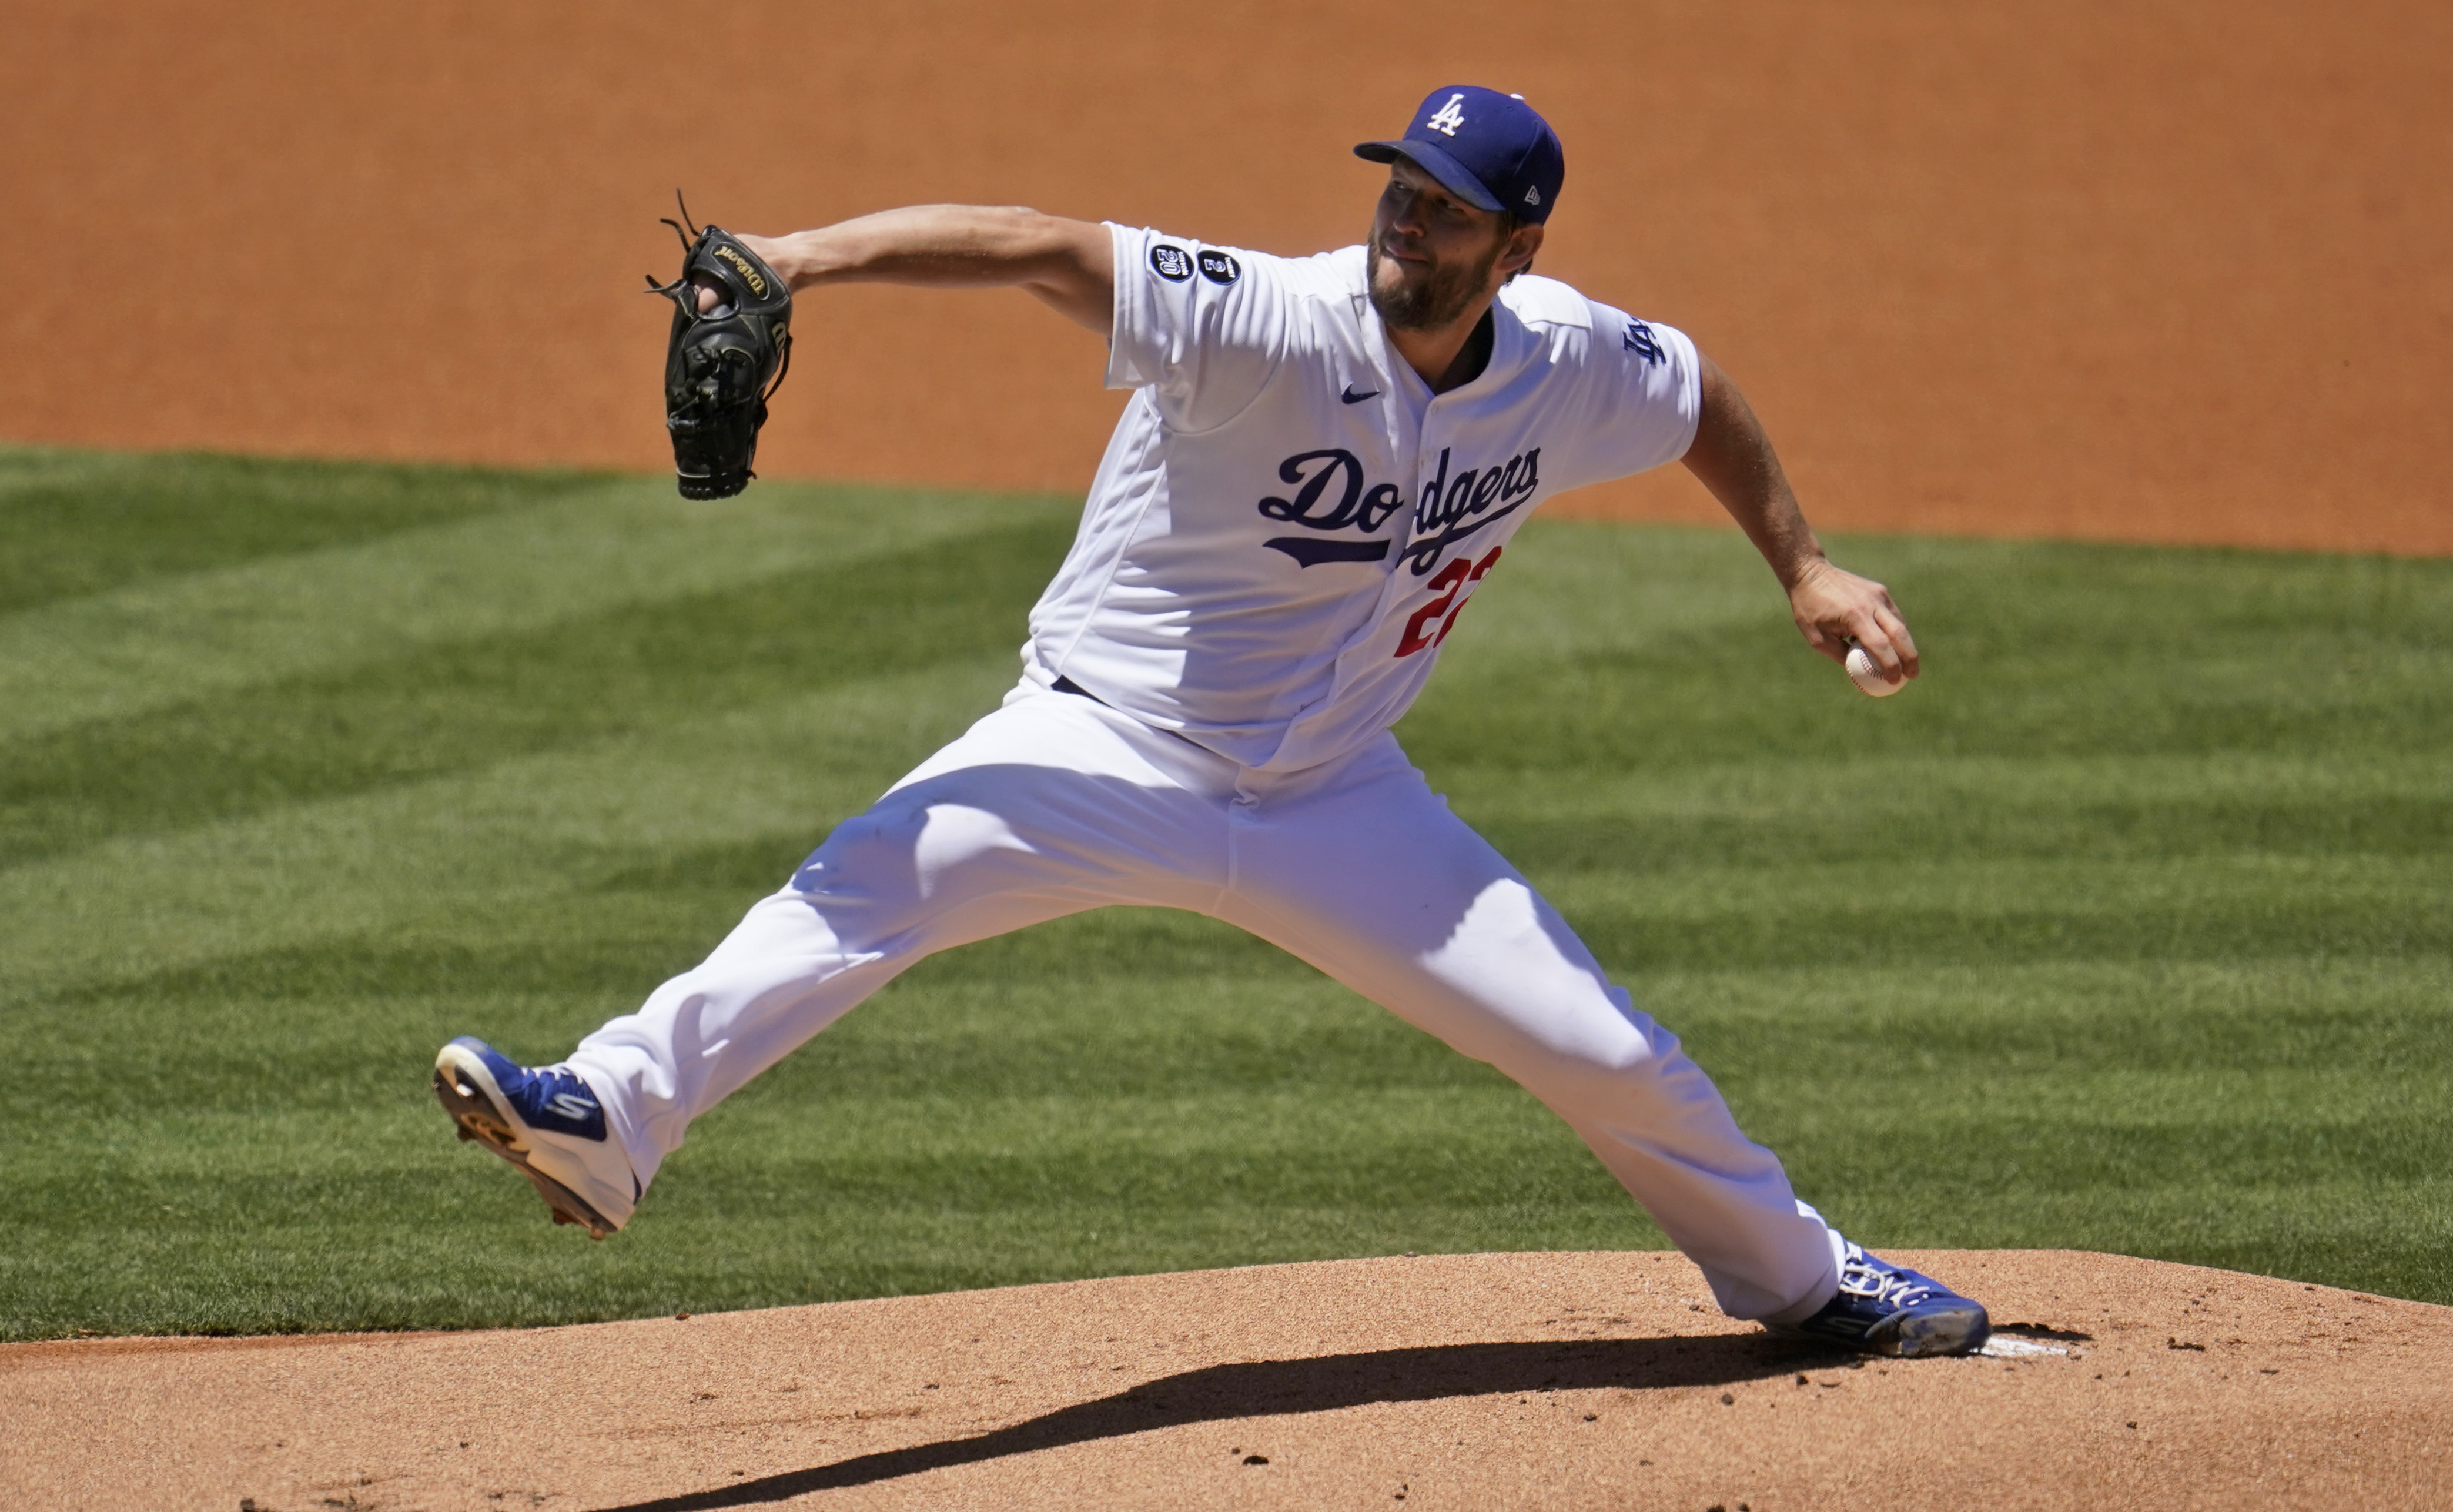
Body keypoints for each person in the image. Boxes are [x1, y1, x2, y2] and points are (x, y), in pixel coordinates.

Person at [432, 86, 1987, 1357]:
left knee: (1603, 1047)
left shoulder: (1568, 361)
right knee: (863, 885)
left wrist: (1803, 562)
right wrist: (797, 255)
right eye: (1400, 184)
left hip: (1336, 800)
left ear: (1515, 246)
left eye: (1446, 203)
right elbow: (1038, 247)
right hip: (1102, 751)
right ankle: (607, 1117)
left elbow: (1697, 395)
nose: (1405, 215)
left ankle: (1804, 1281)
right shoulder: (1268, 317)